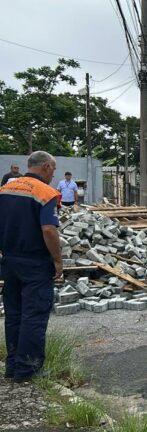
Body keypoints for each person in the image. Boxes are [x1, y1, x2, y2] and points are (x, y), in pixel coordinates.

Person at [0, 151, 63, 382]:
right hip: (35, 263)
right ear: (46, 167)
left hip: (9, 260)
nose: (53, 174)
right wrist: (57, 260)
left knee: (14, 314)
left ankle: (12, 365)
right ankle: (28, 370)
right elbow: (48, 229)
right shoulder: (45, 193)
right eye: (53, 170)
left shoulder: (5, 189)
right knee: (33, 315)